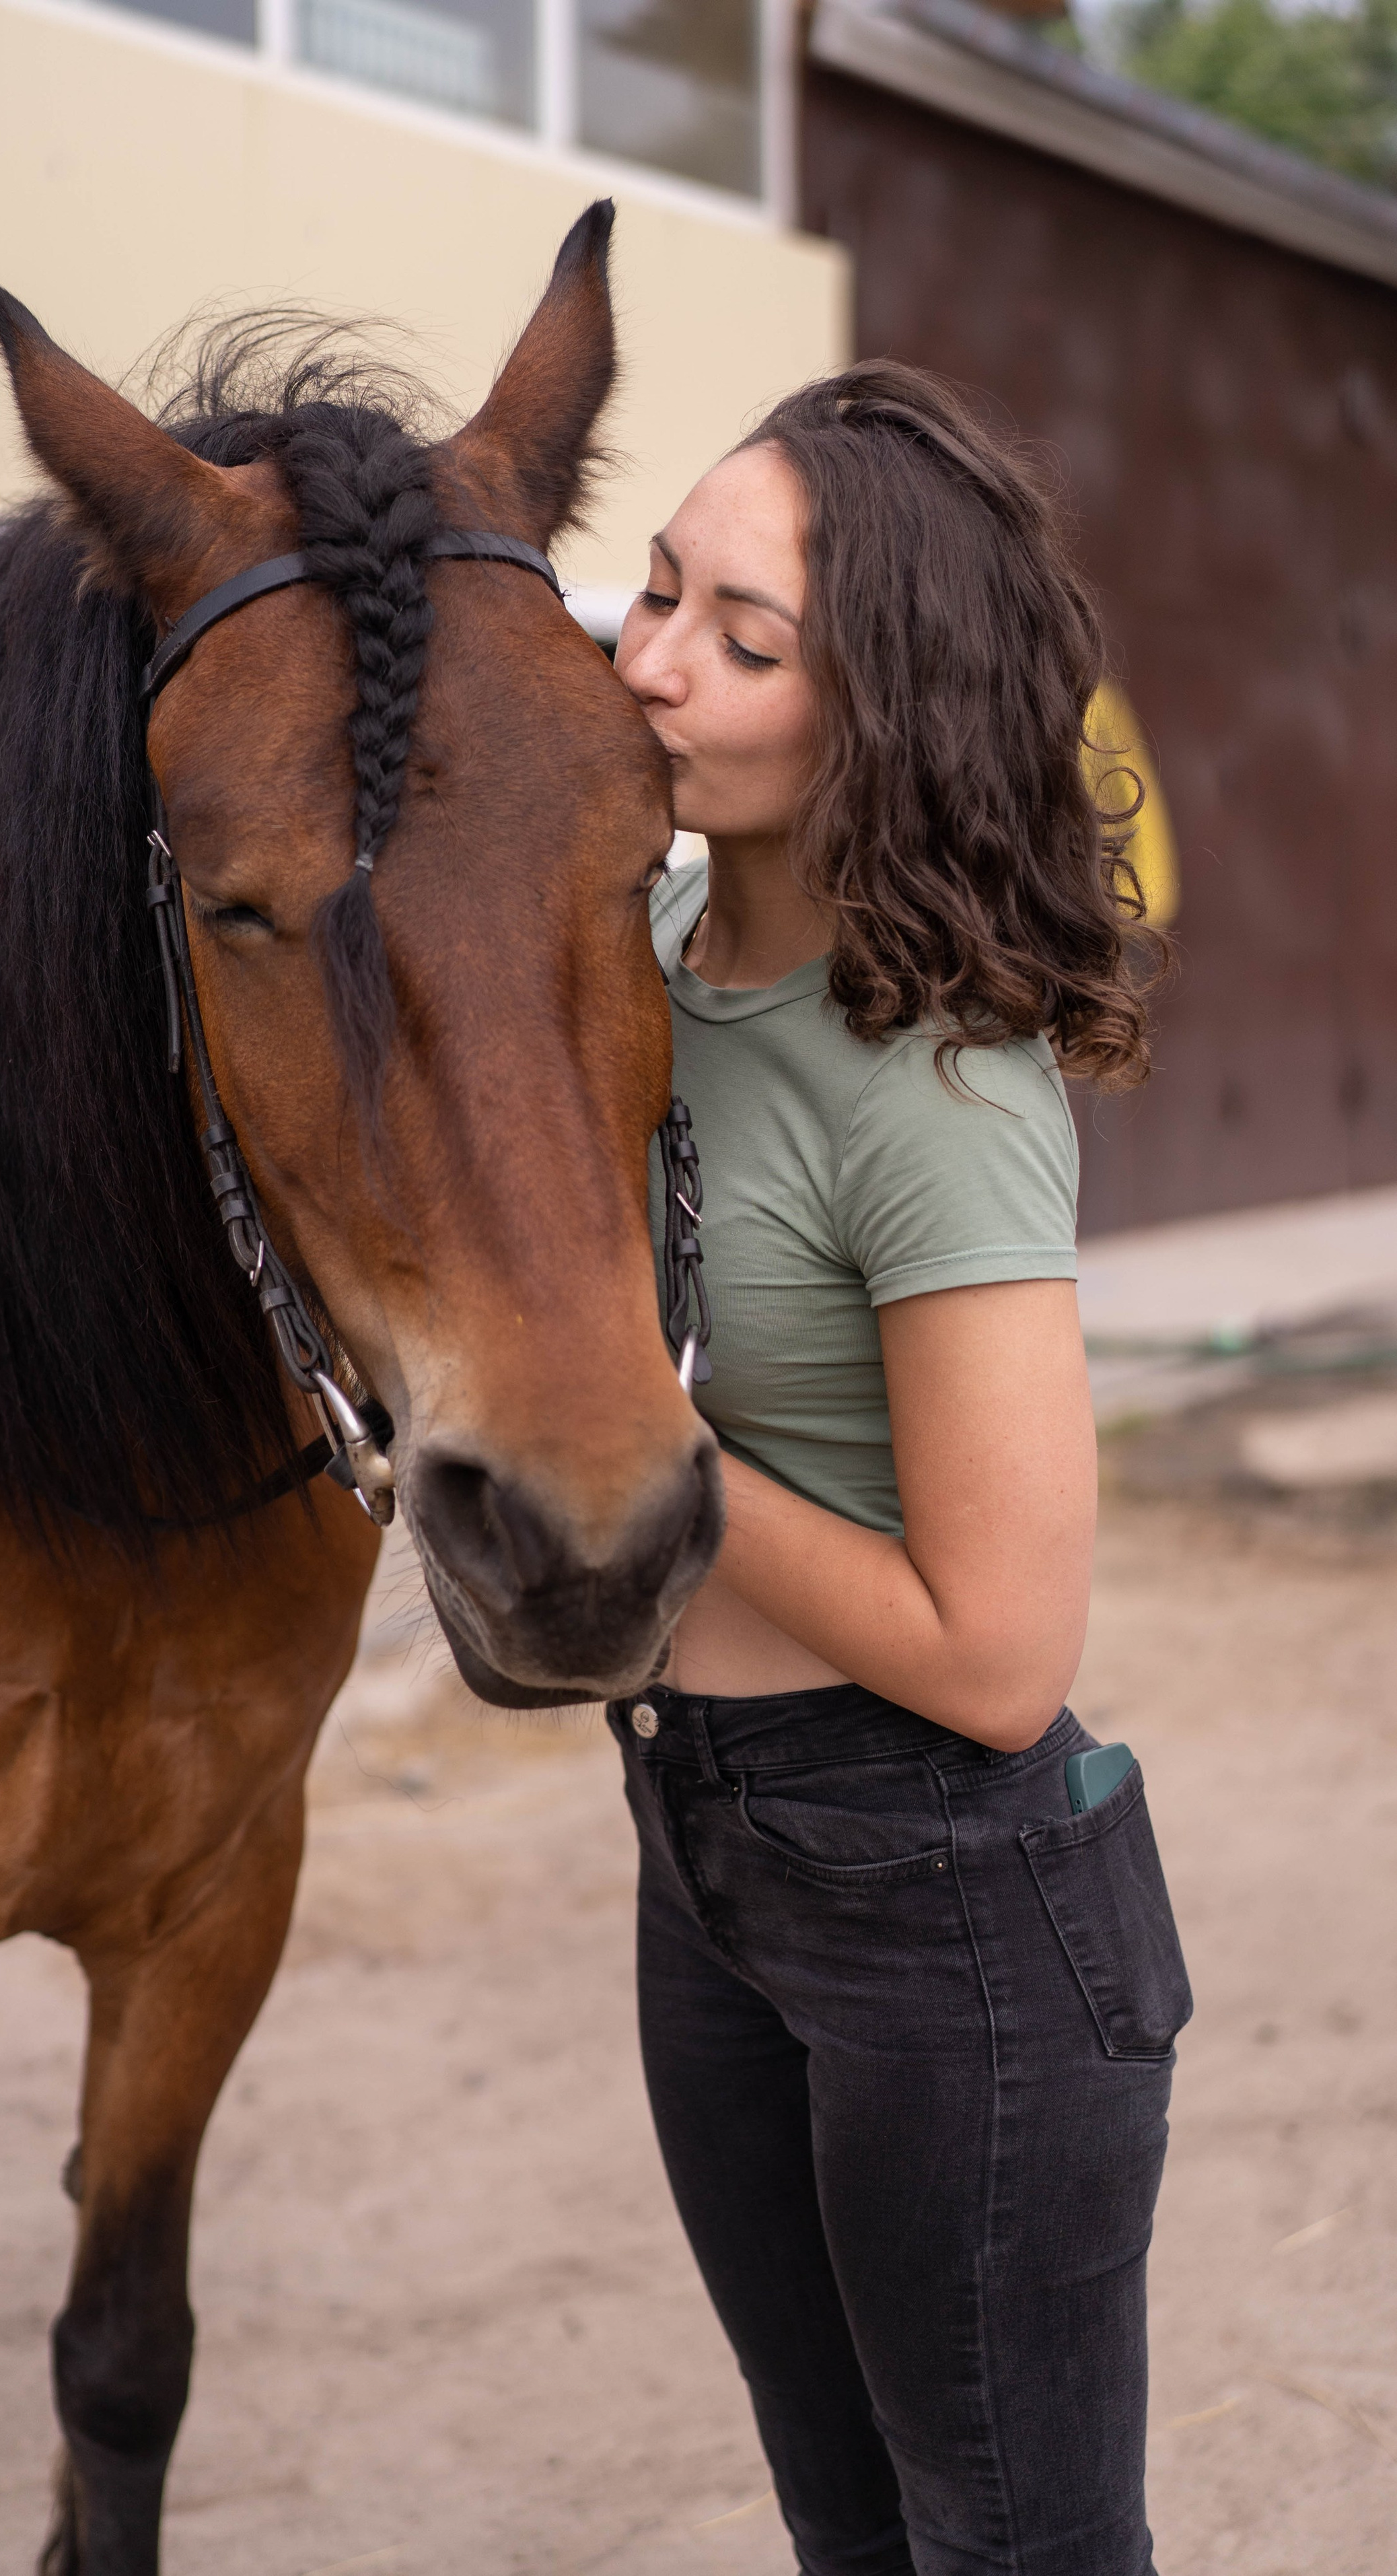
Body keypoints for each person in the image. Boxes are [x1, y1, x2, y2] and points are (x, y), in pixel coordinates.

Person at [607, 361, 1191, 2576]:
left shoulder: (938, 1088)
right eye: (656, 592)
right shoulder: (630, 959)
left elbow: (1002, 1652)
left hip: (950, 1900)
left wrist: (641, 1442)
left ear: (889, 717)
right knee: (847, 2530)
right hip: (707, 1850)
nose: (652, 661)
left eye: (743, 642)